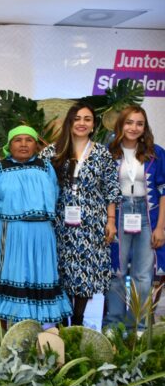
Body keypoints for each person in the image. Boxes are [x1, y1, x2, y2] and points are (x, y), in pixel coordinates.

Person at [0, 126, 72, 323]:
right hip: (8, 234)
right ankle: (2, 330)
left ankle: (34, 328)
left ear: (36, 145)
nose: (23, 144)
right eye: (18, 140)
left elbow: (55, 198)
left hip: (41, 234)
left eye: (28, 140)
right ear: (9, 145)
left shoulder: (46, 168)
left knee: (37, 278)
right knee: (7, 277)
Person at [41, 102, 120, 327]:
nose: (82, 123)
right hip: (60, 223)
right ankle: (61, 323)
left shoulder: (102, 153)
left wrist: (111, 221)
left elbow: (111, 189)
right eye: (77, 119)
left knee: (86, 271)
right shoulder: (52, 152)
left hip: (92, 224)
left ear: (94, 125)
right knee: (63, 271)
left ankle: (78, 320)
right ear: (69, 123)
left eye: (87, 119)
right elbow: (37, 179)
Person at [105, 105, 165, 328]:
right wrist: (109, 221)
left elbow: (163, 190)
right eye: (129, 122)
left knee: (143, 274)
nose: (134, 128)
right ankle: (113, 325)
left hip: (147, 214)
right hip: (118, 212)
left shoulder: (156, 153)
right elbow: (105, 189)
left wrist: (161, 227)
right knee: (116, 271)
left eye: (139, 123)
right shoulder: (109, 151)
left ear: (145, 127)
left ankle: (138, 327)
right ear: (121, 125)